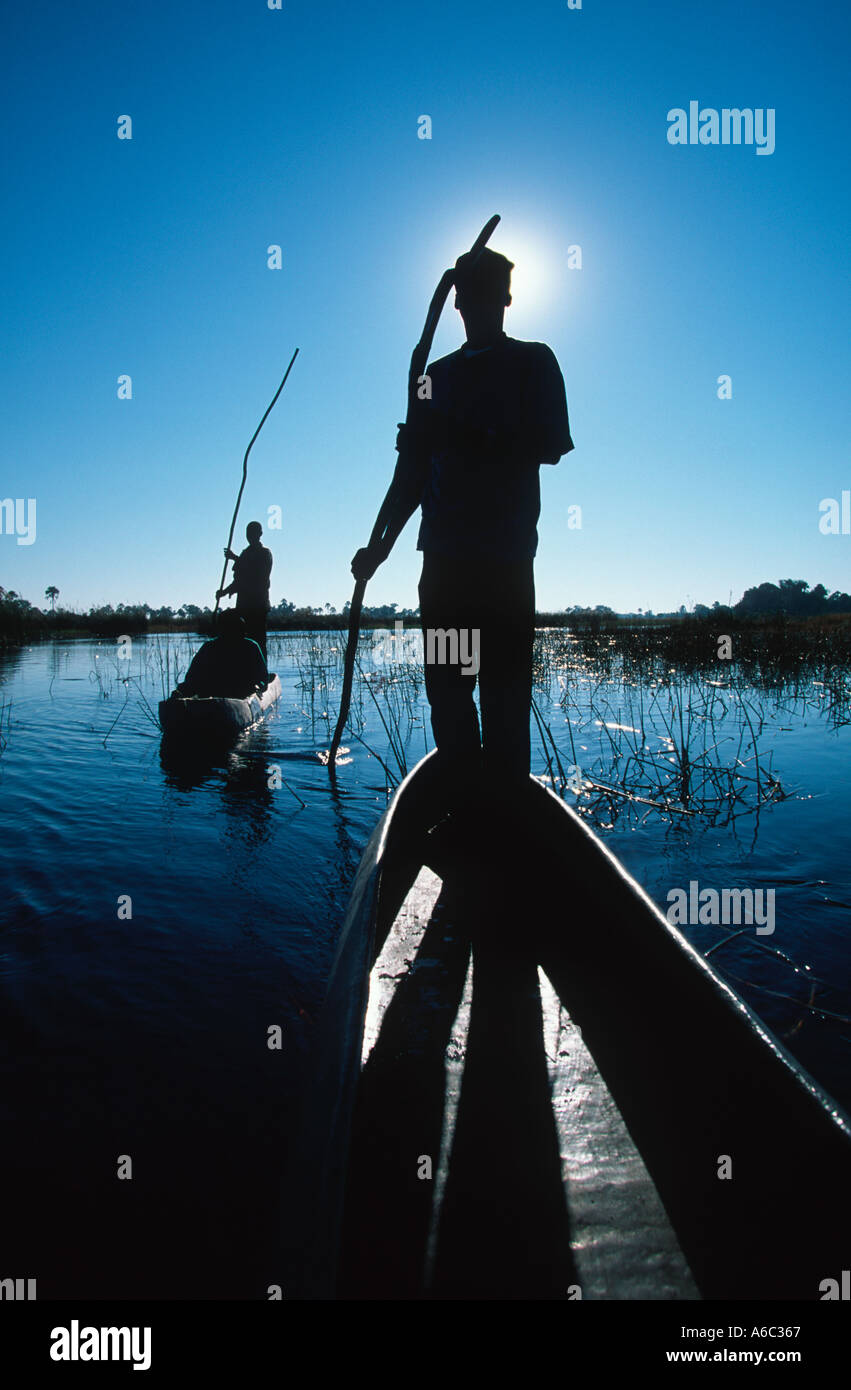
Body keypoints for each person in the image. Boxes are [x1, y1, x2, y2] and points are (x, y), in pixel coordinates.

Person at [352, 246, 573, 814]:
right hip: (444, 568)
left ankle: (503, 823)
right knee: (450, 696)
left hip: (503, 565)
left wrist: (466, 434)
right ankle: (464, 814)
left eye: (491, 292)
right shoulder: (433, 379)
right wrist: (378, 549)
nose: (480, 304)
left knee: (503, 698)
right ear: (457, 302)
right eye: (469, 294)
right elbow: (411, 476)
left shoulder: (533, 362)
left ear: (507, 298)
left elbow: (550, 445)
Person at [174, 610, 271, 699]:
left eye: (237, 628)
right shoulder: (209, 647)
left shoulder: (251, 646)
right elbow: (192, 678)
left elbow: (262, 678)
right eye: (230, 628)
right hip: (213, 692)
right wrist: (182, 691)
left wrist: (257, 687)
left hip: (240, 692)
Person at [217, 521, 273, 659]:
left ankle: (261, 674)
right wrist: (224, 592)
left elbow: (256, 575)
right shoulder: (245, 553)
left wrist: (235, 558)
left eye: (253, 533)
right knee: (241, 640)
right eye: (248, 533)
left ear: (260, 534)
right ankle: (243, 672)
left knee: (258, 641)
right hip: (243, 605)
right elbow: (239, 580)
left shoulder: (265, 553)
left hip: (258, 606)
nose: (250, 536)